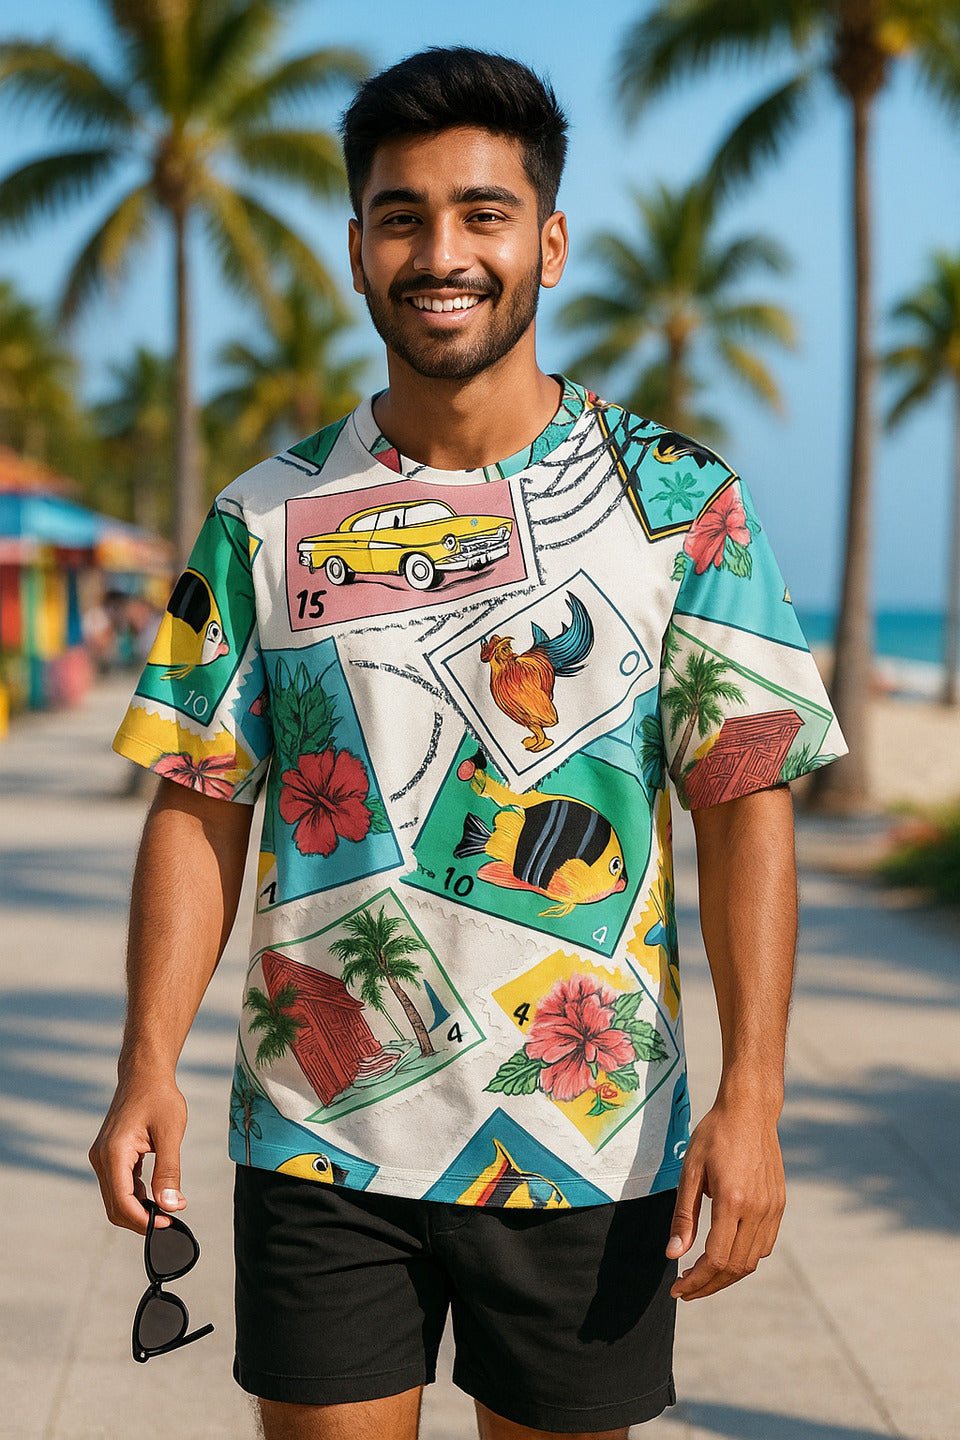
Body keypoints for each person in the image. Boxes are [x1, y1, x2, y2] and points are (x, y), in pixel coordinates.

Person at [90, 47, 847, 1440]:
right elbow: (199, 803)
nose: (443, 252)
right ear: (359, 253)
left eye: (483, 213)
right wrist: (147, 1064)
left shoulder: (679, 504)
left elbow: (747, 804)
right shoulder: (267, 518)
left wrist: (754, 1099)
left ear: (548, 243)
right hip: (321, 1145)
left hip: (590, 1146)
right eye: (401, 216)